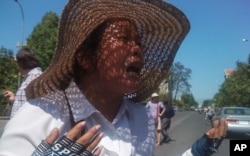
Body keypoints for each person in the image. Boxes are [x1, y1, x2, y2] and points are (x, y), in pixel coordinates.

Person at [0, 0, 227, 156]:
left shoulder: (141, 120)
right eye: (123, 38)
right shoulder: (41, 115)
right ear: (85, 57)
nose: (138, 49)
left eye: (138, 42)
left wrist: (198, 150)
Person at [2, 47, 42, 118]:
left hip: (25, 126)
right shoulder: (30, 78)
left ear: (22, 62)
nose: (17, 66)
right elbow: (28, 103)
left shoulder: (35, 78)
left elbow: (37, 107)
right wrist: (15, 99)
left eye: (17, 62)